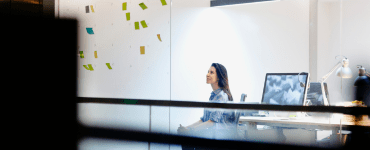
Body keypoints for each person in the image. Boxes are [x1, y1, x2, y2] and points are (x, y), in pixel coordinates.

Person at [177, 63, 236, 150]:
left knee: (188, 138)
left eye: (211, 72)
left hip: (219, 138)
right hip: (213, 134)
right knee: (183, 134)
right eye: (208, 72)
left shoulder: (221, 96)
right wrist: (187, 127)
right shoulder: (213, 96)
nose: (207, 74)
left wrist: (191, 131)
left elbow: (211, 122)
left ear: (218, 77)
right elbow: (204, 119)